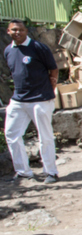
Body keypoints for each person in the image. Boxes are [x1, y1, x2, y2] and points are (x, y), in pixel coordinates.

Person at [4, 19, 59, 183]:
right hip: (18, 99)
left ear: (26, 31)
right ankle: (23, 172)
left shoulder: (38, 48)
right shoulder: (8, 51)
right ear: (8, 32)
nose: (17, 32)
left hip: (40, 99)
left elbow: (53, 69)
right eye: (14, 30)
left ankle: (51, 172)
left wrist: (51, 86)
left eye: (20, 30)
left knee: (45, 136)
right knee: (12, 134)